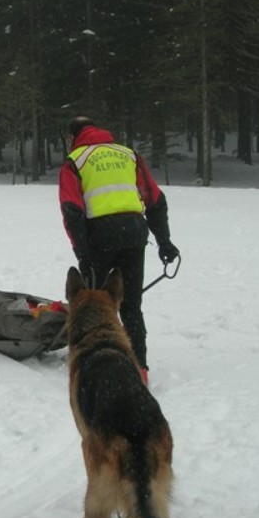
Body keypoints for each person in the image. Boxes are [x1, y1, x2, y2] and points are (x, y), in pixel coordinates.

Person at [58, 116, 179, 383]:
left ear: (72, 137)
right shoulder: (128, 155)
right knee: (131, 305)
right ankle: (139, 369)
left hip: (99, 238)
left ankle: (96, 365)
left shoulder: (75, 161)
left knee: (94, 306)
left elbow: (71, 211)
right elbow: (156, 200)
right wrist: (165, 242)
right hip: (134, 235)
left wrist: (83, 255)